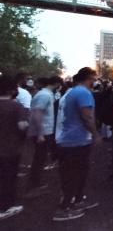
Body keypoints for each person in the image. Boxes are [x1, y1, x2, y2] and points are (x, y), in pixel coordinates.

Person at [54, 67, 101, 221]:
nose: (96, 80)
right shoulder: (83, 93)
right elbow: (87, 117)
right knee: (73, 175)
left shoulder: (71, 92)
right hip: (75, 141)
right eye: (94, 77)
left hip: (69, 140)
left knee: (78, 172)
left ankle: (78, 200)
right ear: (88, 78)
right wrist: (95, 135)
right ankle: (63, 209)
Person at [25, 76, 63, 198]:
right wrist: (40, 133)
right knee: (39, 159)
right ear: (56, 83)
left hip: (44, 131)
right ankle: (33, 187)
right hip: (42, 132)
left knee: (40, 159)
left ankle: (35, 185)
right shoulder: (45, 95)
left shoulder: (46, 94)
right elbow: (37, 113)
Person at [0, 75, 29, 220]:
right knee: (8, 178)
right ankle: (5, 207)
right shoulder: (17, 106)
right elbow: (22, 126)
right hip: (10, 149)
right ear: (12, 90)